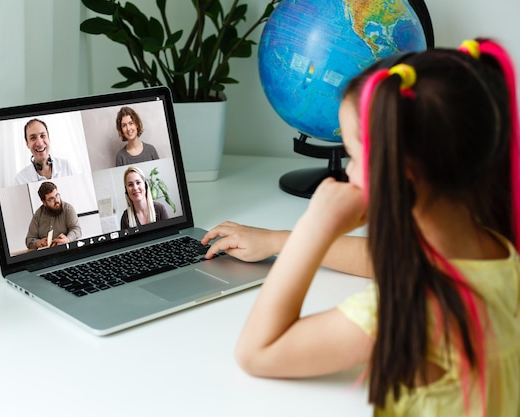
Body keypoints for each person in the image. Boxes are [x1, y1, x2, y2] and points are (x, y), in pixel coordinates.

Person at [203, 39, 520, 416]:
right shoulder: (497, 248)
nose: (348, 171)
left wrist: (314, 228)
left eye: (354, 155)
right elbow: (389, 258)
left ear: (401, 171)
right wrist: (277, 240)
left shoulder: (414, 309)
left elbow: (258, 352)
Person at [15, 118, 76, 185]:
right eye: (33, 138)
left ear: (48, 138)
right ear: (27, 143)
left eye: (42, 136)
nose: (39, 143)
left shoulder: (66, 166)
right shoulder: (20, 179)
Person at [26, 181, 82, 249]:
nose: (56, 201)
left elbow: (76, 229)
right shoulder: (38, 214)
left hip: (66, 250)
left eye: (57, 195)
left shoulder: (68, 209)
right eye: (51, 199)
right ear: (44, 202)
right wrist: (38, 243)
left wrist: (68, 239)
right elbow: (29, 239)